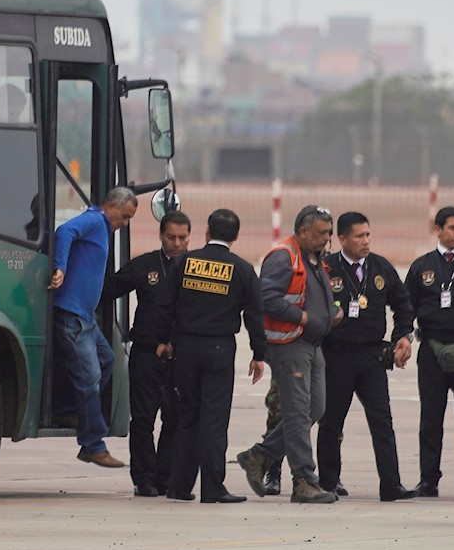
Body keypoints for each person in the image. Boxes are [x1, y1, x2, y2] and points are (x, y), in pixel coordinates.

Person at [156, 209, 266, 503]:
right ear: (236, 236)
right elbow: (255, 315)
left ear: (207, 232)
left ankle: (179, 486)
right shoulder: (242, 269)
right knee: (214, 421)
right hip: (219, 350)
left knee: (188, 417)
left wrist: (163, 341)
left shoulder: (184, 262)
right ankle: (213, 489)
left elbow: (165, 304)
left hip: (186, 349)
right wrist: (259, 354)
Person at [237, 205, 342, 504]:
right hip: (290, 343)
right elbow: (266, 298)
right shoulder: (283, 257)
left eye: (329, 233)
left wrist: (330, 312)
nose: (326, 239)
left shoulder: (314, 258)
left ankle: (259, 455)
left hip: (313, 345)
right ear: (303, 231)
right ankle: (304, 480)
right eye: (321, 233)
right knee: (296, 413)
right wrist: (303, 318)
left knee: (316, 408)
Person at [316, 211, 417, 502]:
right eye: (359, 236)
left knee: (382, 422)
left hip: (372, 357)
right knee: (332, 422)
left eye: (368, 235)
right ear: (342, 238)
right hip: (337, 357)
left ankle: (391, 484)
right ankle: (329, 481)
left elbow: (403, 304)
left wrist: (402, 335)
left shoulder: (380, 267)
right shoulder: (327, 268)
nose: (365, 241)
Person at [102, 210, 191, 497]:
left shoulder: (195, 267)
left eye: (182, 237)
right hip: (146, 354)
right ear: (161, 235)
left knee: (175, 419)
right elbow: (108, 289)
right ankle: (144, 478)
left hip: (180, 357)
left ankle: (166, 476)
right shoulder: (145, 266)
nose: (176, 243)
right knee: (142, 419)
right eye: (171, 237)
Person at [48, 187, 139, 468]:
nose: (124, 223)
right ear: (111, 206)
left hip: (85, 317)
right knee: (89, 377)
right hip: (72, 314)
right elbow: (64, 233)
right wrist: (60, 267)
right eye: (124, 216)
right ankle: (92, 444)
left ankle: (67, 410)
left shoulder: (103, 227)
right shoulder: (94, 220)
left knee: (106, 359)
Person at [405, 205, 454, 499]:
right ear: (437, 229)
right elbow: (406, 308)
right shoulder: (420, 267)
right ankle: (428, 480)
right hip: (432, 352)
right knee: (431, 420)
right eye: (452, 228)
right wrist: (403, 338)